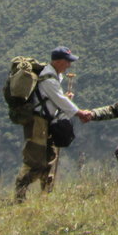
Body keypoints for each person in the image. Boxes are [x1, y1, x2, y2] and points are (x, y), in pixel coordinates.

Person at [14, 46, 90, 201]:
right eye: (67, 61)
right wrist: (79, 112)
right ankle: (19, 194)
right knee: (35, 159)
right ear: (59, 61)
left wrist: (64, 99)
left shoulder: (53, 77)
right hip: (38, 124)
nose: (69, 65)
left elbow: (55, 99)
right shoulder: (48, 79)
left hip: (46, 122)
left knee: (50, 157)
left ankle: (47, 194)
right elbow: (60, 100)